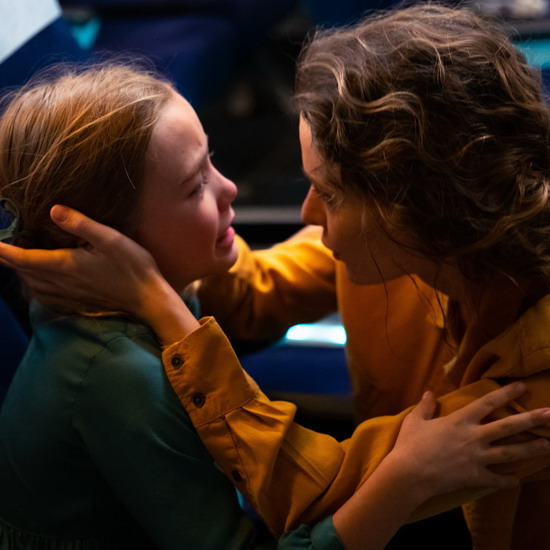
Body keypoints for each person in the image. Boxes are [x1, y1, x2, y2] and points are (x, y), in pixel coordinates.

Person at [2, 4, 550, 548]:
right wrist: (155, 272)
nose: (308, 214)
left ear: (418, 214)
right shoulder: (393, 241)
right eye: (196, 181)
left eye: (330, 194)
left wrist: (154, 295)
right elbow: (253, 294)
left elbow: (310, 493)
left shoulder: (537, 368)